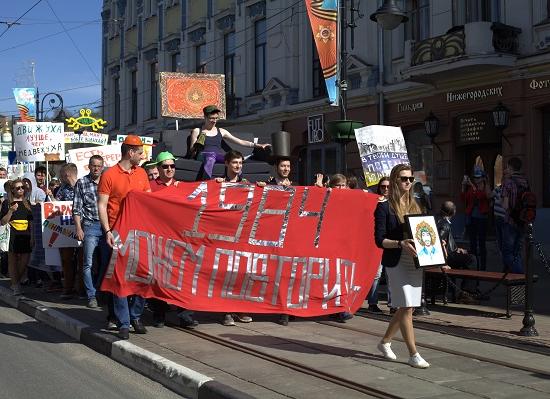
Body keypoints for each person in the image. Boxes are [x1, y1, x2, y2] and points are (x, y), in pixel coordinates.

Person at [374, 164, 430, 369]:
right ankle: (413, 353)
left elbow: (424, 230)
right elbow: (379, 240)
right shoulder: (383, 206)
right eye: (404, 179)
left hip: (414, 261)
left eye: (410, 179)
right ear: (395, 180)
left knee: (408, 306)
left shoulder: (416, 204)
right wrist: (400, 243)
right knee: (406, 305)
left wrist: (434, 243)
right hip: (396, 260)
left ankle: (385, 342)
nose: (408, 182)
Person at [98, 135, 151, 339]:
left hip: (140, 232)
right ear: (131, 152)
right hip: (117, 232)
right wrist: (107, 231)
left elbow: (148, 201)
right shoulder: (109, 174)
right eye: (140, 152)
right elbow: (102, 205)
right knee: (120, 277)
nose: (142, 155)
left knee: (143, 274)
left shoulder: (142, 173)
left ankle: (136, 315)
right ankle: (123, 321)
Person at [147, 151, 199, 329]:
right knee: (158, 277)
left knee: (182, 276)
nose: (169, 169)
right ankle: (159, 313)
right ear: (158, 168)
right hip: (158, 238)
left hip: (179, 239)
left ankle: (185, 314)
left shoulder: (183, 186)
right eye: (165, 166)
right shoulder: (150, 187)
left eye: (172, 166)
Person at [214, 150, 254, 326]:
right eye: (235, 162)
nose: (238, 166)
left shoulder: (246, 184)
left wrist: (261, 187)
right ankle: (225, 311)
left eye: (240, 163)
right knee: (225, 272)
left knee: (241, 272)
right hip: (223, 235)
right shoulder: (217, 183)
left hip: (241, 235)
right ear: (226, 164)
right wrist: (215, 185)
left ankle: (239, 307)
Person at [190, 105, 270, 179]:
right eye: (211, 118)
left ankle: (241, 180)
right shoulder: (197, 130)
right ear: (205, 117)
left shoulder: (221, 131)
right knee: (211, 156)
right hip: (203, 155)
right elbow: (192, 151)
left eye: (216, 118)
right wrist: (199, 142)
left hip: (217, 155)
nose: (214, 121)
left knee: (233, 159)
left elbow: (240, 141)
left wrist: (259, 145)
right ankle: (206, 182)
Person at [73, 155, 105, 309]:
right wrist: (79, 228)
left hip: (107, 226)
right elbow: (77, 208)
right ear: (89, 166)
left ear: (103, 166)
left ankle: (101, 290)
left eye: (99, 165)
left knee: (106, 263)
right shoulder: (82, 183)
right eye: (94, 165)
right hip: (90, 225)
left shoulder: (108, 181)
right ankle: (91, 295)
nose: (96, 168)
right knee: (88, 263)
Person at [437, 201, 477, 304]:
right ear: (454, 212)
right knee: (471, 259)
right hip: (447, 257)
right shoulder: (444, 224)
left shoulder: (440, 221)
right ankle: (467, 292)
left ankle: (470, 289)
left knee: (469, 255)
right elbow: (440, 242)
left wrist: (456, 248)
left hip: (449, 253)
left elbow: (446, 242)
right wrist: (443, 263)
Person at [0, 179, 34, 295]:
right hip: (12, 234)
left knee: (24, 261)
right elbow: (3, 222)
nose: (21, 190)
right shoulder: (7, 203)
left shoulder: (27, 203)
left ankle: (15, 281)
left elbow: (31, 223)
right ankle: (15, 285)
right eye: (18, 188)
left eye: (22, 187)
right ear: (13, 190)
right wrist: (10, 211)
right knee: (13, 260)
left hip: (25, 234)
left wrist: (32, 237)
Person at [56, 163, 84, 300]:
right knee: (66, 259)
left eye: (61, 175)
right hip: (66, 229)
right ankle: (68, 287)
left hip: (82, 227)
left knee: (82, 259)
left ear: (67, 175)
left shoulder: (83, 185)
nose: (60, 177)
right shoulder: (62, 188)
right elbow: (56, 204)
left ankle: (82, 288)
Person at [501, 157, 530, 273]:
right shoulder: (525, 181)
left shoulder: (508, 182)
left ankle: (520, 278)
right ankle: (516, 287)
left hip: (510, 222)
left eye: (507, 167)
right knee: (517, 252)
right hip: (523, 221)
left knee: (507, 253)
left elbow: (505, 206)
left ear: (510, 167)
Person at [367, 177, 390, 313]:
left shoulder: (396, 202)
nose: (386, 189)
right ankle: (372, 303)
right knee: (377, 273)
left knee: (390, 275)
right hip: (378, 242)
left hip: (393, 242)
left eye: (388, 186)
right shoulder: (374, 201)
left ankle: (394, 305)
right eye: (383, 187)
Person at [461, 168, 490, 271]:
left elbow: (482, 196)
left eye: (478, 177)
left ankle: (483, 266)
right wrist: (463, 185)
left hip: (482, 218)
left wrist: (471, 185)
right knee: (472, 242)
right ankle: (474, 264)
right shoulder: (472, 188)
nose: (476, 179)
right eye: (475, 177)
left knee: (481, 243)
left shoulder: (485, 187)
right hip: (471, 217)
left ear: (483, 178)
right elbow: (464, 198)